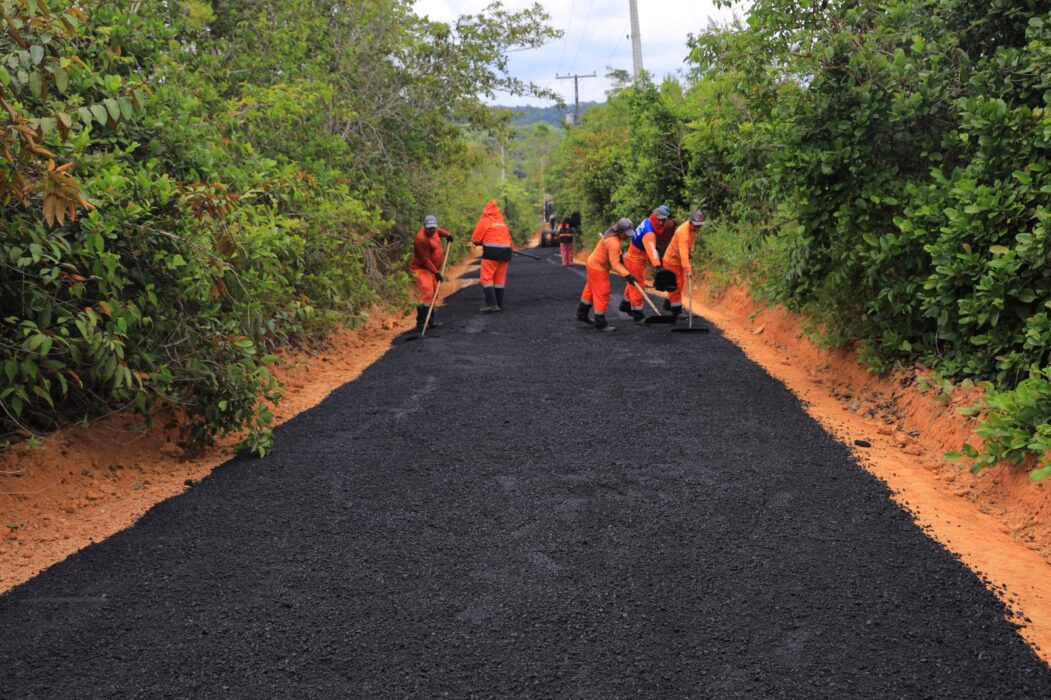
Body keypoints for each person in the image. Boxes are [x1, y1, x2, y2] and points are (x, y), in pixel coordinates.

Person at [576, 218, 637, 332]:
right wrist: (627, 275)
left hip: (592, 263)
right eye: (626, 234)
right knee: (603, 292)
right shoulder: (613, 242)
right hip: (598, 268)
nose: (628, 236)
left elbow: (617, 257)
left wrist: (625, 269)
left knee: (590, 290)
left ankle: (581, 314)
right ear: (620, 231)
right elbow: (615, 263)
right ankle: (600, 323)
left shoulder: (612, 233)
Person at [621, 207, 669, 321]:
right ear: (653, 216)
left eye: (663, 220)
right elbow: (651, 250)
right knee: (638, 285)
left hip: (634, 256)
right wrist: (658, 267)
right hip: (634, 259)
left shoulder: (647, 221)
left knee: (632, 284)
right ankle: (638, 314)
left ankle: (625, 305)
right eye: (659, 219)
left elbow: (651, 247)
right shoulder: (649, 233)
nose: (661, 222)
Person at [409, 215, 453, 330]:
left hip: (432, 270)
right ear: (424, 227)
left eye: (433, 227)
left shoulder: (435, 230)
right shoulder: (421, 239)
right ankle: (421, 323)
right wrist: (436, 272)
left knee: (433, 293)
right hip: (421, 269)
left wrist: (448, 235)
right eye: (429, 228)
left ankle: (430, 321)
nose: (432, 230)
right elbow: (425, 260)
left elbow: (439, 231)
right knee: (427, 292)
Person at [662, 209, 706, 320]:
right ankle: (676, 311)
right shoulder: (683, 232)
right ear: (691, 222)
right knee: (676, 286)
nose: (698, 228)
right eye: (696, 225)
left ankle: (668, 305)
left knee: (680, 284)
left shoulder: (694, 230)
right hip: (671, 261)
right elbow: (683, 254)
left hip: (678, 262)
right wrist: (689, 270)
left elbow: (691, 244)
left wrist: (691, 251)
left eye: (700, 225)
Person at [471, 199, 512, 312]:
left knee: (487, 277)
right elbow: (508, 238)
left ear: (486, 210)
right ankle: (499, 303)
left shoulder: (484, 221)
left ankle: (492, 304)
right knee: (500, 278)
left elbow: (475, 239)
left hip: (492, 253)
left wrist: (477, 242)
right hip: (506, 252)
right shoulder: (501, 223)